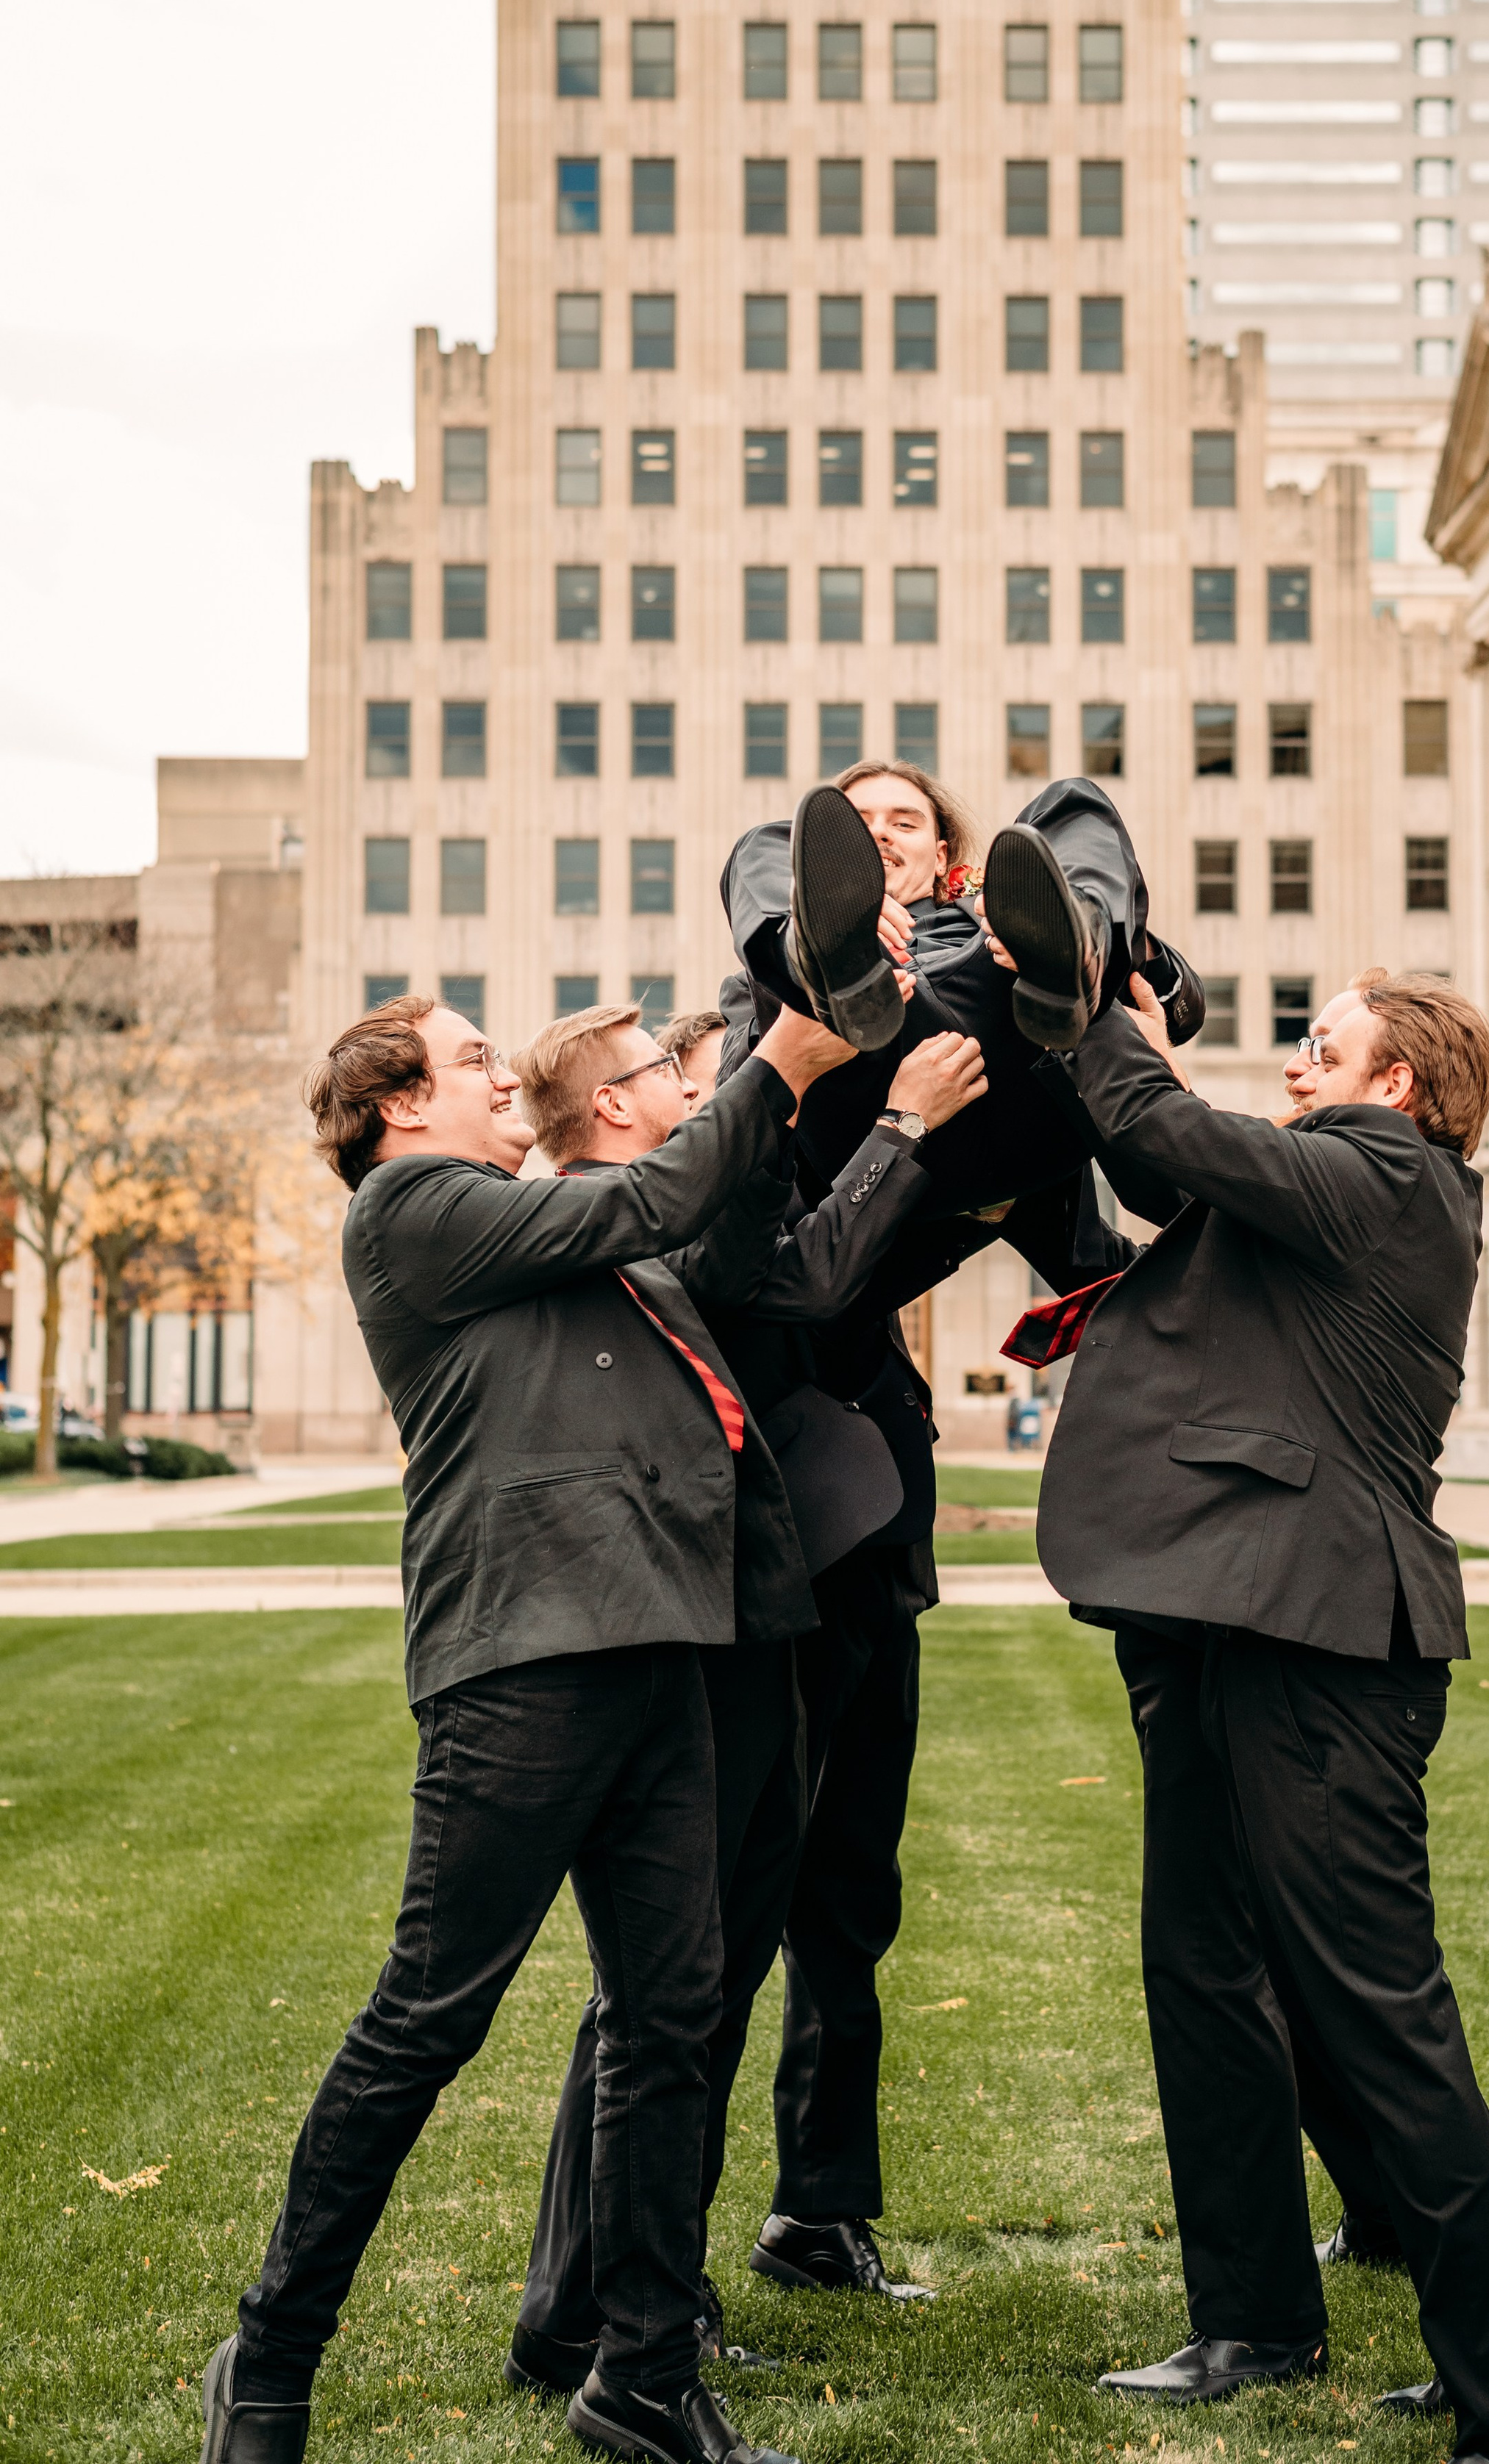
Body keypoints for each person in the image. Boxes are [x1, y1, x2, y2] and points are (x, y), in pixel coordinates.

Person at [199, 990, 855, 2464]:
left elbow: (698, 1226)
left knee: (669, 2022)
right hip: (522, 1666)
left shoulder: (543, 1225)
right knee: (429, 2016)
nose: (505, 1076)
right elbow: (653, 1194)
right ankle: (271, 2355)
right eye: (475, 1059)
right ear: (398, 1106)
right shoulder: (413, 1210)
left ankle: (641, 2376)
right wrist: (776, 1064)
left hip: (661, 1655)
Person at [1032, 967, 1489, 2463]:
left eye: (1318, 1045)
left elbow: (1161, 1127)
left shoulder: (1389, 1174)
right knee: (1201, 1967)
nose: (1292, 1064)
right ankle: (1260, 2320)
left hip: (1326, 1643)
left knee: (1375, 2014)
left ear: (1396, 1084)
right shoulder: (1324, 1189)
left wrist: (1082, 988)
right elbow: (1161, 1171)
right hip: (1227, 1621)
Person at [505, 1000, 988, 2386]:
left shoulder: (698, 1186)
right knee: (670, 1981)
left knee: (704, 1967)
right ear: (622, 1101)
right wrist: (899, 1123)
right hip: (705, 1624)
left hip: (766, 1605)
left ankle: (632, 2292)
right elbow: (805, 1278)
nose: (712, 1088)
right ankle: (582, 2306)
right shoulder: (654, 1202)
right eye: (680, 1070)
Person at [720, 763, 1204, 1221]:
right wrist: (834, 930)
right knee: (759, 843)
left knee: (1073, 799)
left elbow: (1180, 1010)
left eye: (904, 824)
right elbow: (740, 1104)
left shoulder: (1002, 913)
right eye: (857, 826)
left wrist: (1107, 941)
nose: (880, 833)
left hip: (1024, 1070)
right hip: (870, 1108)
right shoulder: (755, 982)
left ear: (940, 857)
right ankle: (827, 962)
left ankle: (1077, 953)